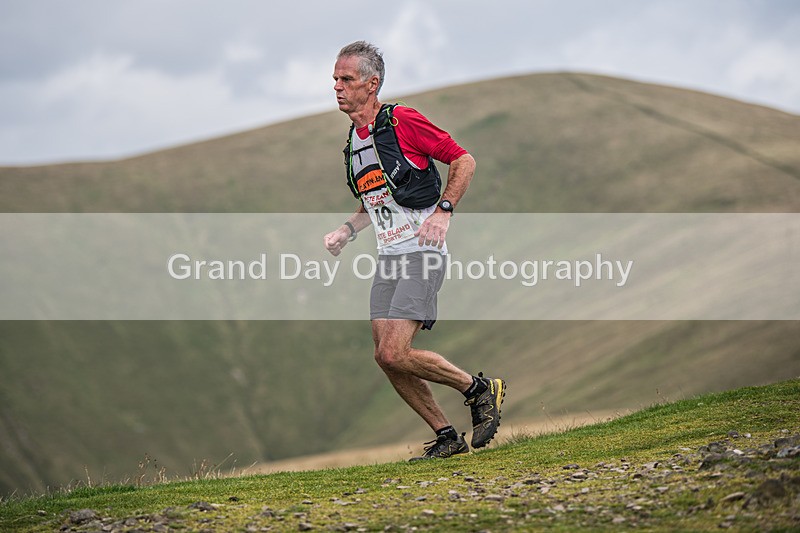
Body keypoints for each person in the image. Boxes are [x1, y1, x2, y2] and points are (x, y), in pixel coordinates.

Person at [324, 41, 505, 461]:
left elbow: (464, 160)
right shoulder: (354, 141)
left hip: (423, 253)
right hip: (389, 256)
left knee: (395, 350)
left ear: (372, 85)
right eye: (334, 79)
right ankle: (446, 436)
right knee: (385, 358)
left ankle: (480, 390)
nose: (336, 87)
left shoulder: (401, 120)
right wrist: (346, 230)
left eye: (345, 79)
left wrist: (443, 211)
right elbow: (375, 201)